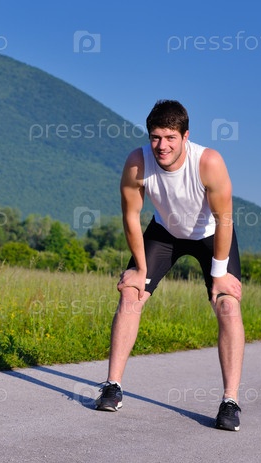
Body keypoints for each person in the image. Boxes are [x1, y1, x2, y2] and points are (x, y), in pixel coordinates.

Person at [96, 100, 246, 431]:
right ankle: (112, 386)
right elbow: (131, 216)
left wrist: (219, 274)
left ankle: (230, 402)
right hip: (164, 233)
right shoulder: (138, 162)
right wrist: (140, 268)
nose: (161, 146)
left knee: (227, 305)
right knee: (131, 293)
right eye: (155, 137)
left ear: (185, 136)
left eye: (170, 138)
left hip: (210, 235)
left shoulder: (208, 162)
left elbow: (225, 219)